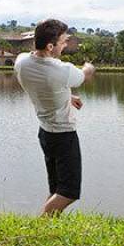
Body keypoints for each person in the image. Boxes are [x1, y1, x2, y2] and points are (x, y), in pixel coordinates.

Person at [14, 19, 96, 215]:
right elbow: (84, 75)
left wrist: (67, 96)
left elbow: (45, 87)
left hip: (45, 133)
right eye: (63, 42)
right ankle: (42, 224)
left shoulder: (22, 62)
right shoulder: (62, 70)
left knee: (56, 188)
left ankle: (49, 227)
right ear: (51, 46)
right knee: (68, 192)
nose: (65, 45)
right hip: (63, 134)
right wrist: (88, 67)